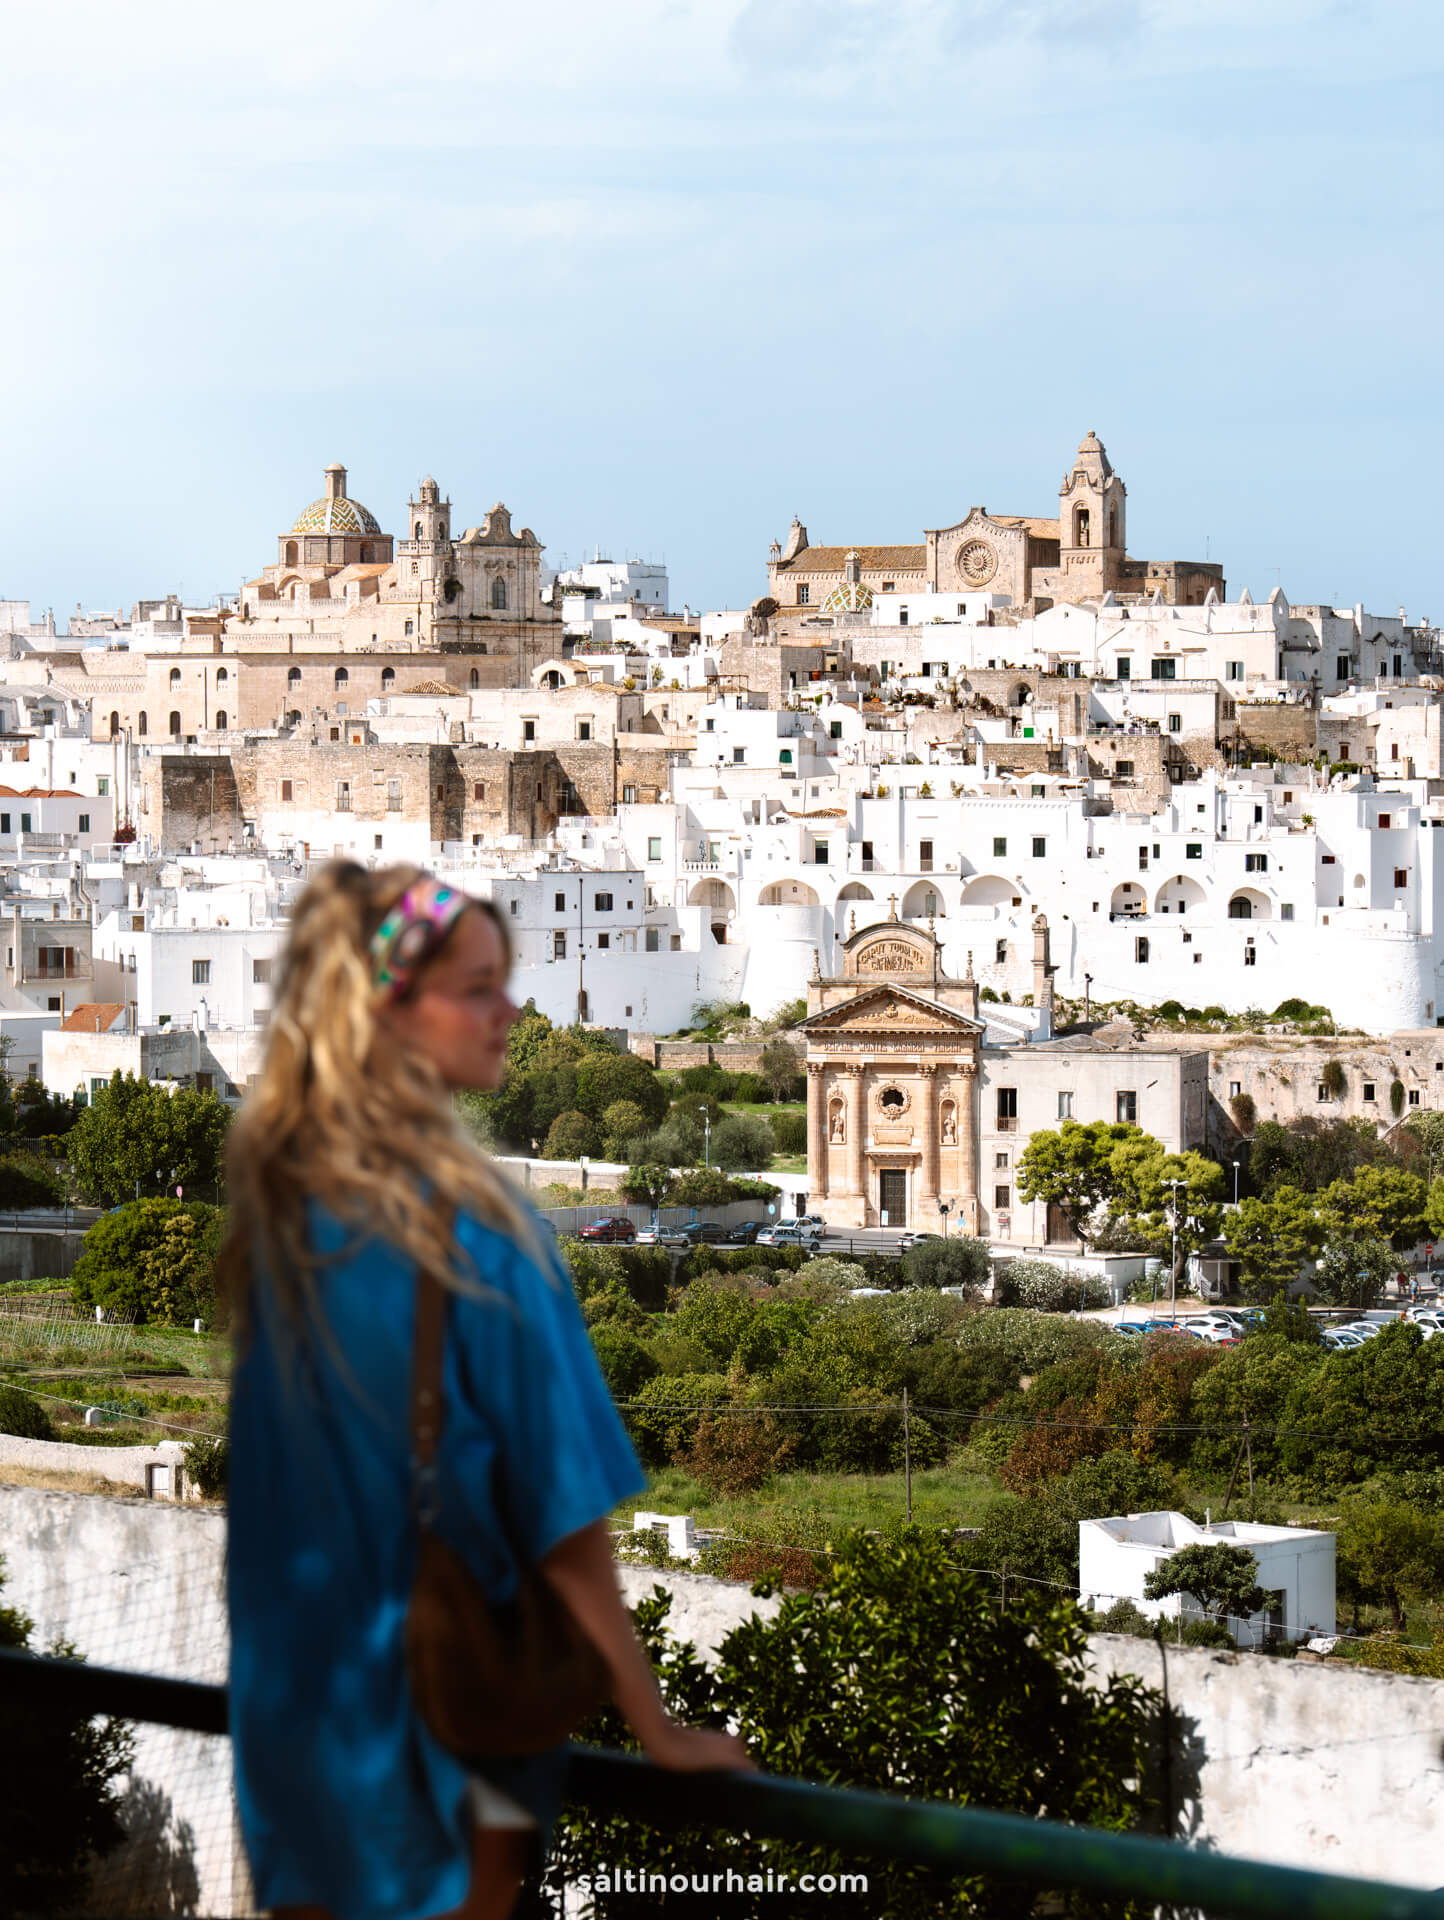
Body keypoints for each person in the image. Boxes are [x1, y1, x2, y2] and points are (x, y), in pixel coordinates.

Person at [221, 864, 747, 1920]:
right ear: (392, 1010)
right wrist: (657, 1728)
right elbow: (563, 1519)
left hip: (294, 1731)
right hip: (435, 1741)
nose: (511, 1011)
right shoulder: (483, 1239)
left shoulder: (285, 1215)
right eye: (477, 989)